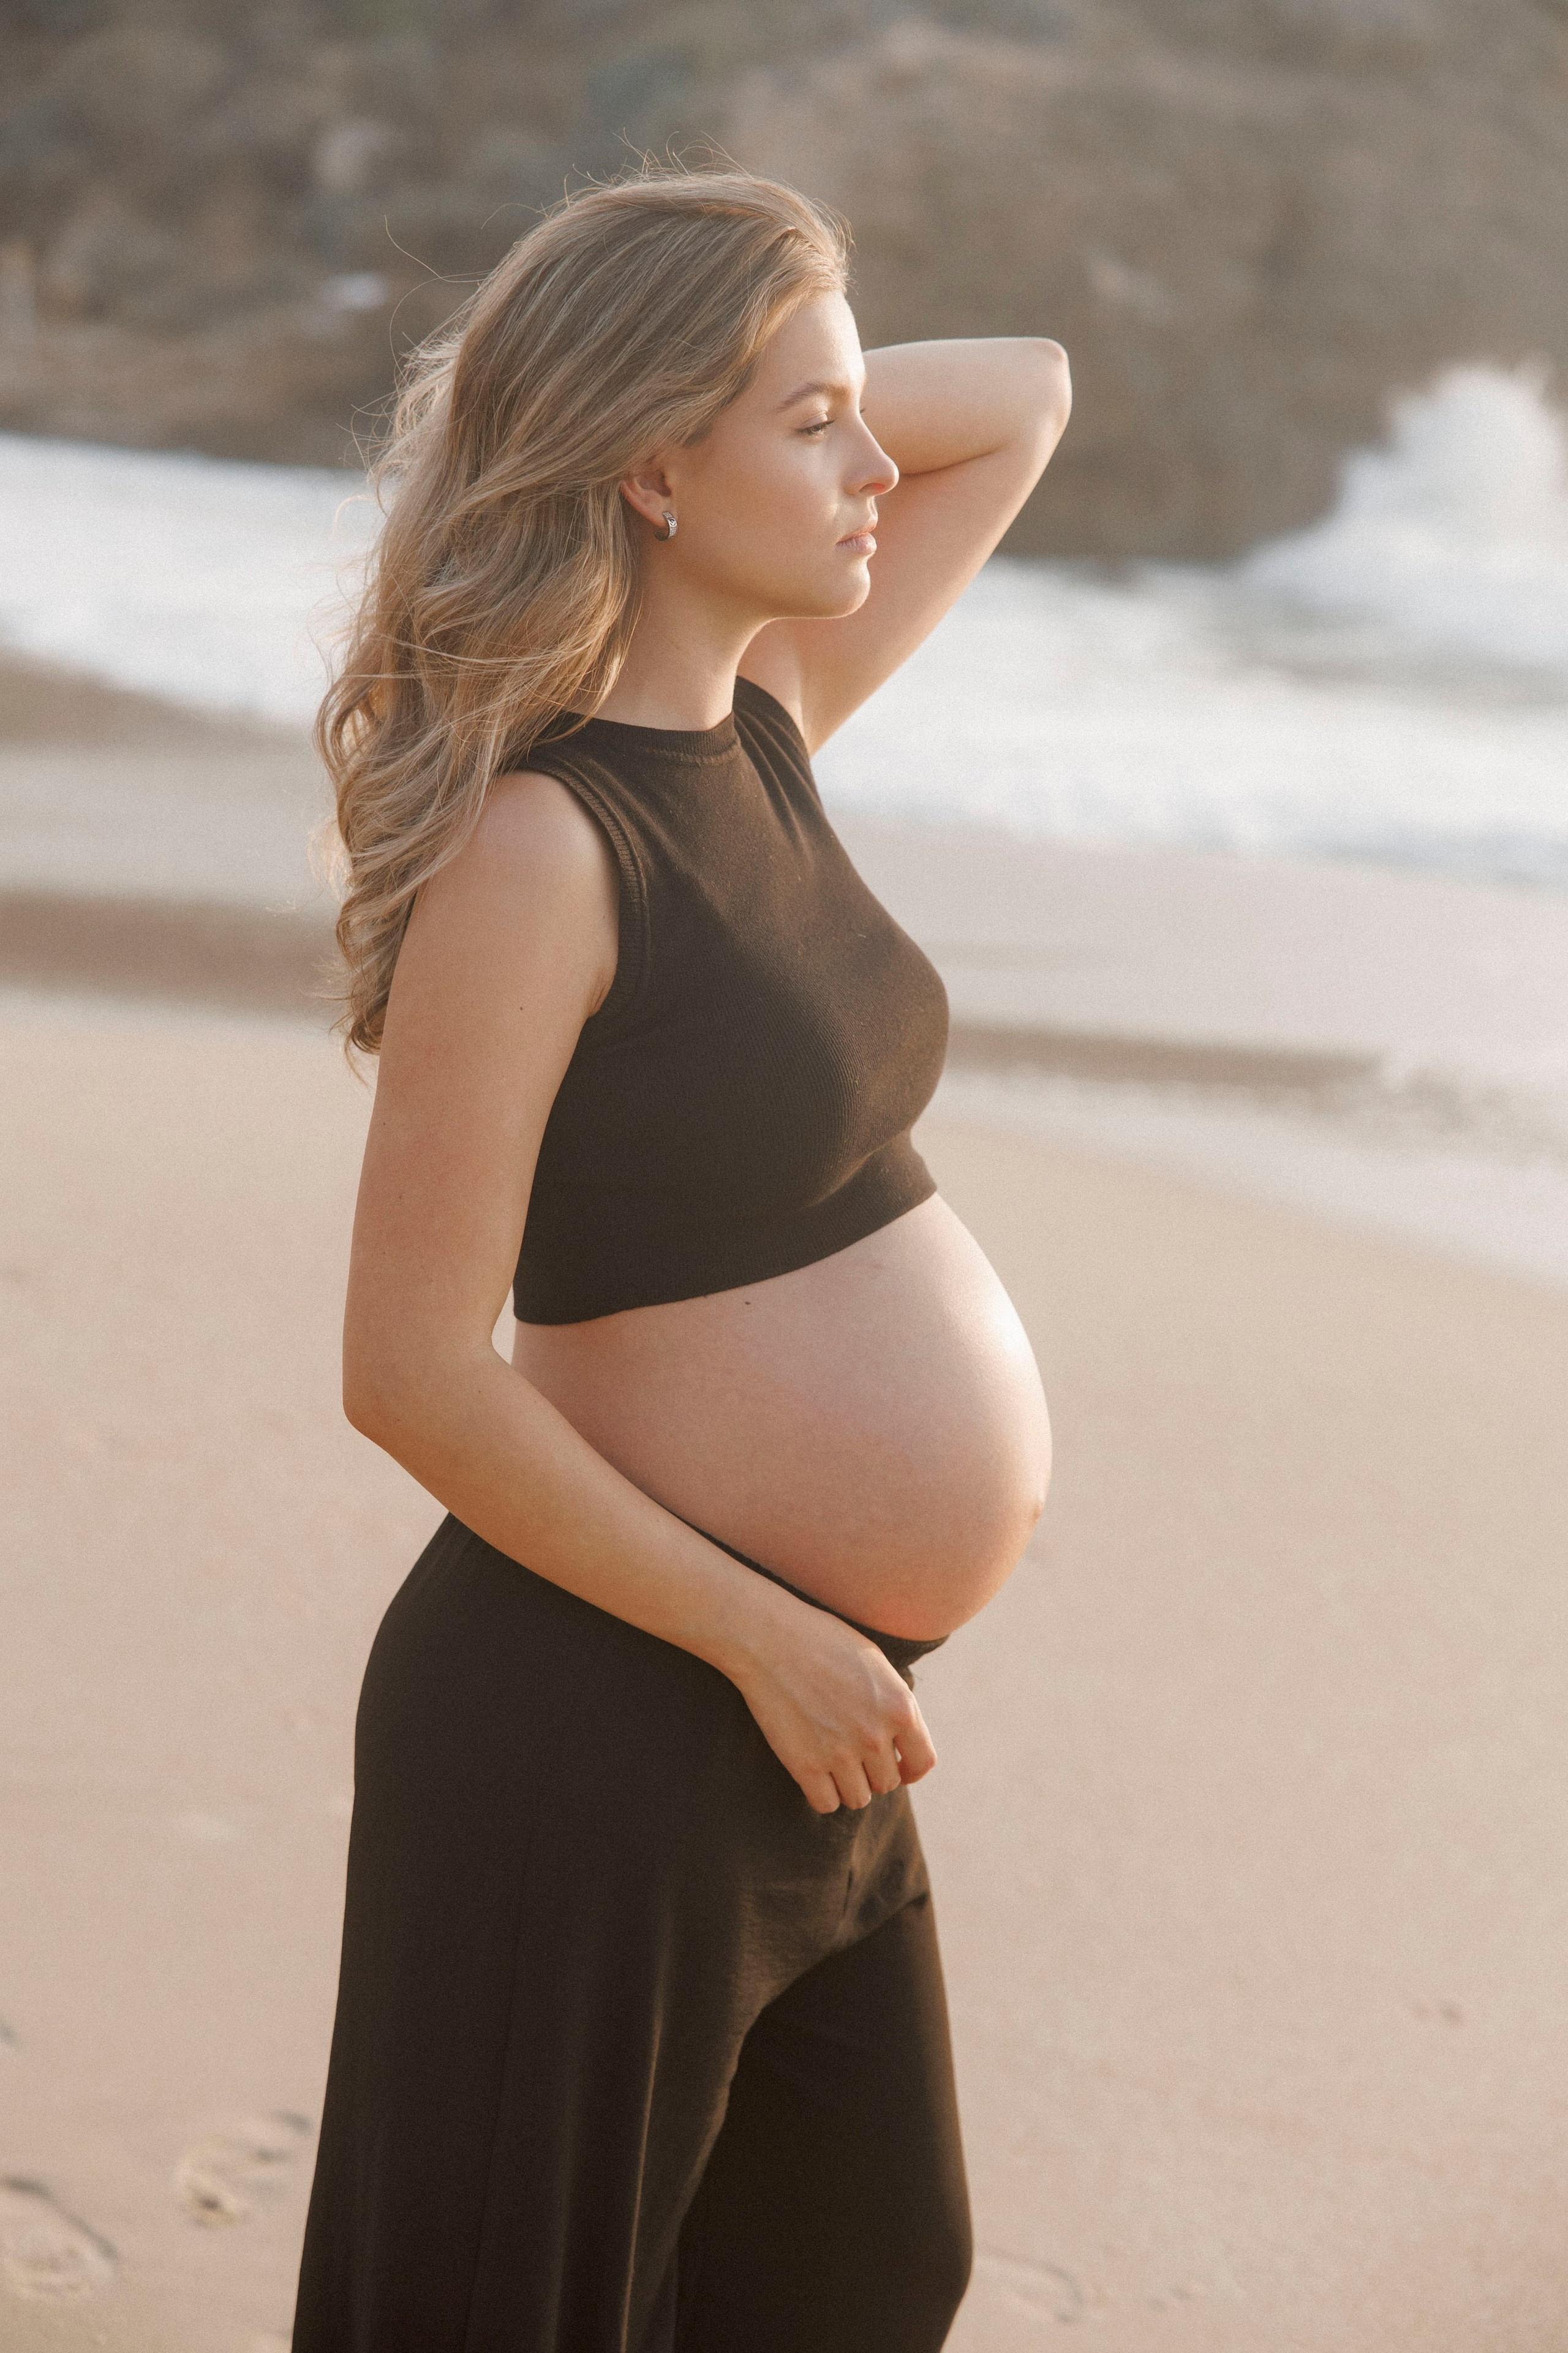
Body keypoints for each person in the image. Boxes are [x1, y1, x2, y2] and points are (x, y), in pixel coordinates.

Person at [292, 166, 1068, 2352]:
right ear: (652, 466)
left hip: (801, 1717)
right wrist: (765, 1639)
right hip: (611, 1705)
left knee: (852, 2273)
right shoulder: (538, 848)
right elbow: (411, 1369)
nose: (872, 462)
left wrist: (762, 354)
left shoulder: (768, 723)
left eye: (849, 413)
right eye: (809, 423)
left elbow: (1023, 394)